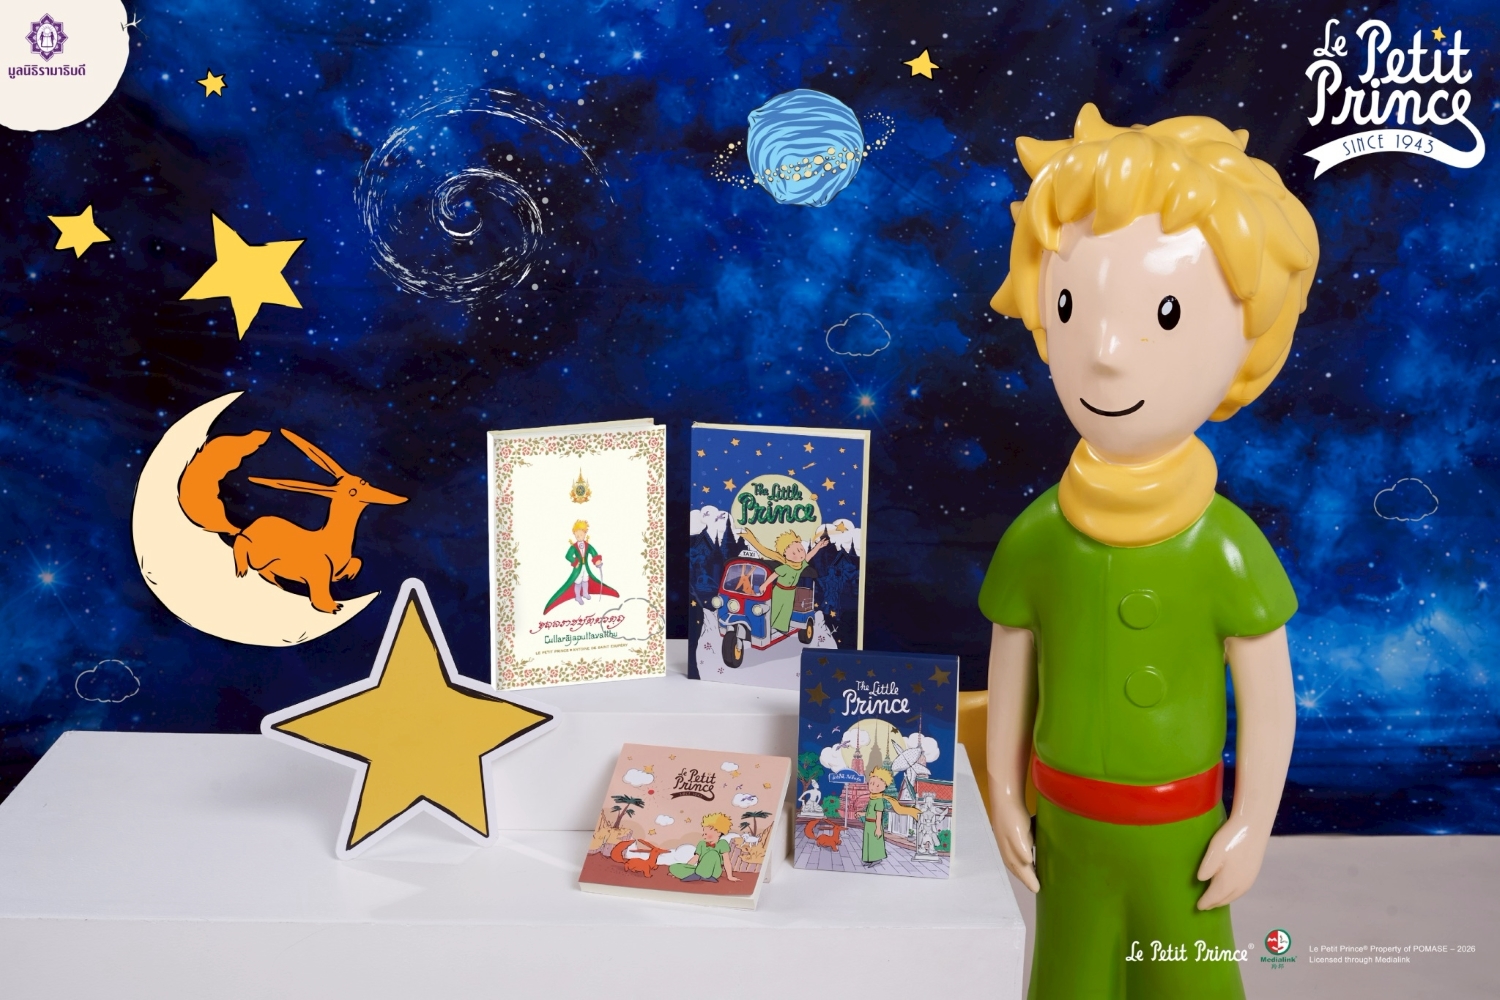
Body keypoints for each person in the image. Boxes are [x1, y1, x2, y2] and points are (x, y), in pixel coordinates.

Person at [981, 104, 1317, 999]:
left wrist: (1251, 823)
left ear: (1250, 344)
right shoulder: (1040, 536)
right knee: (1068, 980)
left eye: (1164, 315)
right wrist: (1005, 795)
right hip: (1066, 830)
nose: (1104, 355)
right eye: (1069, 308)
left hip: (1184, 837)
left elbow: (1269, 701)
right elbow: (1011, 667)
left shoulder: (1226, 548)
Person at [742, 529, 828, 633]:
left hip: (791, 592)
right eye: (793, 552)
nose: (799, 554)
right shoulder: (785, 567)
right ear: (785, 554)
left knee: (786, 610)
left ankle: (781, 627)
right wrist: (764, 585)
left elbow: (809, 556)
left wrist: (818, 546)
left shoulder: (800, 566)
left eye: (800, 550)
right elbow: (774, 575)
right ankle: (769, 625)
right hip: (779, 590)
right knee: (775, 608)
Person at [543, 520, 619, 614]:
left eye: (581, 535)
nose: (579, 537)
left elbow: (593, 552)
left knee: (585, 580)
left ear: (585, 533)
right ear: (574, 535)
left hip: (585, 567)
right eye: (577, 535)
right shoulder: (574, 547)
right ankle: (578, 596)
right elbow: (568, 556)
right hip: (578, 568)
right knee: (578, 582)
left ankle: (585, 593)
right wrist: (574, 561)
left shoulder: (587, 545)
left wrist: (597, 560)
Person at [859, 768, 919, 865]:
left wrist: (878, 828)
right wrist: (861, 814)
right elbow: (869, 813)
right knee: (868, 841)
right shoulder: (872, 799)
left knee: (875, 842)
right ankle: (868, 858)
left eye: (877, 785)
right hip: (868, 824)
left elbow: (879, 815)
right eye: (872, 783)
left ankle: (876, 858)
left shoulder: (879, 801)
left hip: (874, 824)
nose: (873, 787)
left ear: (884, 787)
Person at [668, 813, 739, 882]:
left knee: (713, 853)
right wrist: (685, 868)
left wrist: (730, 876)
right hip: (700, 869)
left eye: (706, 834)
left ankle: (698, 875)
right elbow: (695, 858)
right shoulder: (701, 843)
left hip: (713, 872)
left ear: (718, 832)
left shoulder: (722, 843)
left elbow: (726, 861)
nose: (704, 836)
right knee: (674, 867)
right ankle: (698, 875)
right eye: (703, 834)